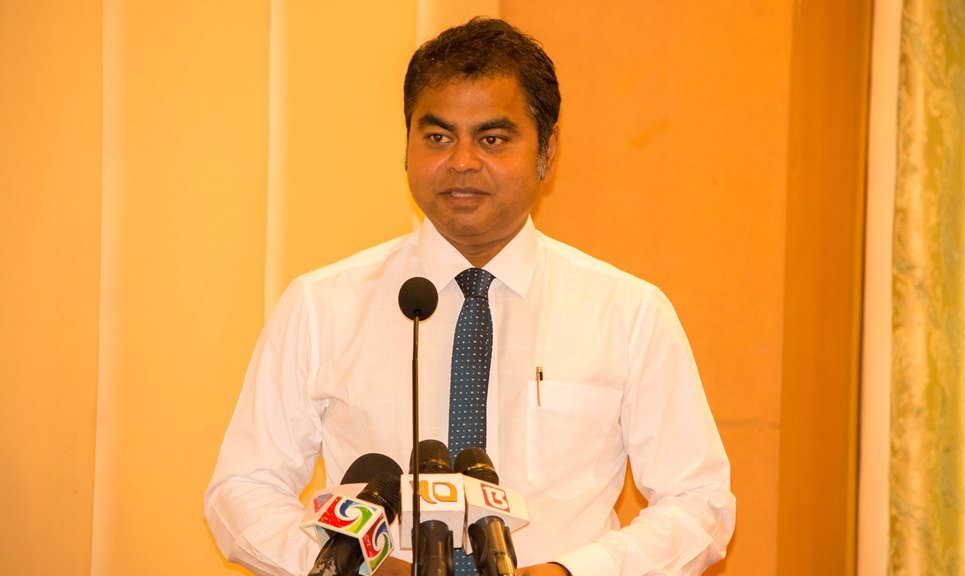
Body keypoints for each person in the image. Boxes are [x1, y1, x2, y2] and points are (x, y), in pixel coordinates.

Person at [205, 17, 735, 576]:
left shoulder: (627, 313)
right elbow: (242, 490)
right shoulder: (321, 305)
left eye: (492, 139)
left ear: (547, 151)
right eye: (437, 137)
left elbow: (699, 503)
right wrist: (357, 568)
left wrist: (570, 573)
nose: (461, 161)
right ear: (406, 147)